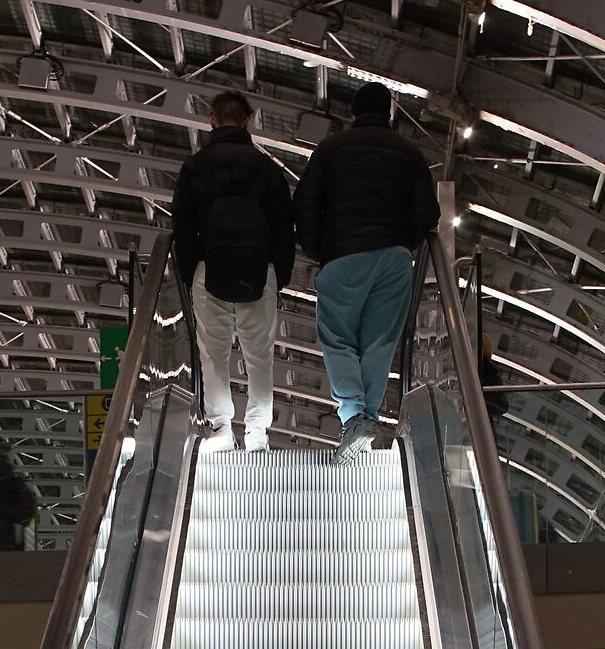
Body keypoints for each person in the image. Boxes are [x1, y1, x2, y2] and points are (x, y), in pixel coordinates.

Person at [293, 81, 439, 462]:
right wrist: (401, 241)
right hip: (393, 258)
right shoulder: (410, 152)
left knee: (338, 339)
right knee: (379, 342)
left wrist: (316, 247)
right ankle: (365, 420)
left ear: (353, 113)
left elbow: (305, 203)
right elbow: (428, 213)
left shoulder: (329, 149)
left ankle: (354, 416)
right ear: (389, 113)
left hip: (343, 255)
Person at [171, 88, 295, 452]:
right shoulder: (267, 168)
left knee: (213, 352)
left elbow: (183, 228)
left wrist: (190, 272)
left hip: (209, 270)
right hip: (260, 270)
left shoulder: (194, 167)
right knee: (260, 353)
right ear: (248, 120)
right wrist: (277, 274)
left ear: (211, 121)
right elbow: (284, 228)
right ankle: (257, 432)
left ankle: (221, 428)